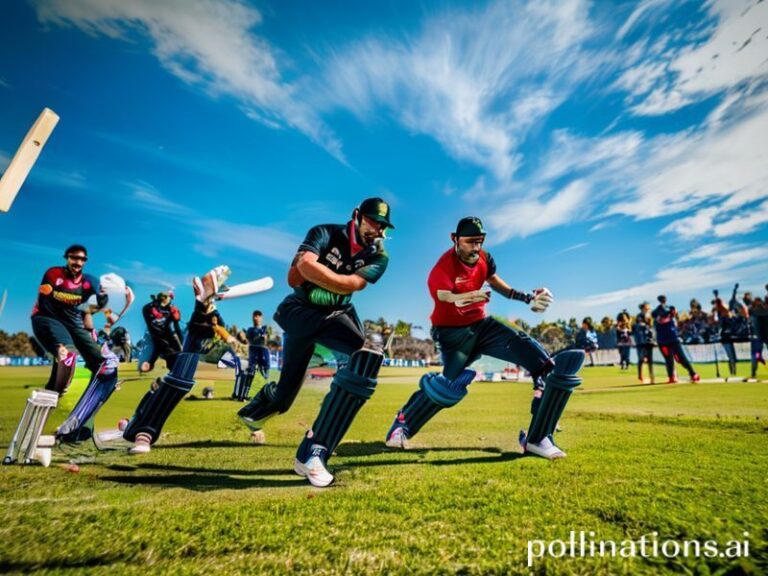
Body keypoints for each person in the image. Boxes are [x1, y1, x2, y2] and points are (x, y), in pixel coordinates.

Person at [384, 216, 582, 461]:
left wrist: (526, 297)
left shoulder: (485, 258)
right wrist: (470, 297)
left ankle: (538, 437)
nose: (475, 248)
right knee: (447, 386)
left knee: (542, 362)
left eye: (479, 241)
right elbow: (444, 297)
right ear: (454, 239)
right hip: (451, 331)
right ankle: (402, 423)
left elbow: (494, 281)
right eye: (469, 242)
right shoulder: (443, 267)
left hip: (482, 326)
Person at [237, 198, 393, 487]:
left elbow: (351, 285)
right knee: (284, 398)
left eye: (383, 226)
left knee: (366, 357)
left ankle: (314, 451)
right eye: (373, 222)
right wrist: (323, 275)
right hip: (299, 312)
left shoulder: (379, 256)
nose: (378, 230)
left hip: (336, 314)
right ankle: (254, 412)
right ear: (357, 216)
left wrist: (317, 273)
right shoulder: (324, 233)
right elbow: (296, 274)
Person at [122, 266, 238, 454]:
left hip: (188, 349)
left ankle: (135, 426)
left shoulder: (209, 316)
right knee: (178, 382)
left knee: (175, 383)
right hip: (177, 347)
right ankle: (143, 432)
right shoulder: (156, 311)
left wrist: (223, 331)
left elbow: (214, 329)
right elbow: (165, 332)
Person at [30, 245, 129, 442]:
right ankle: (57, 390)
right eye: (74, 258)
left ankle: (76, 424)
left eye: (82, 259)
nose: (78, 262)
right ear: (67, 258)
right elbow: (45, 302)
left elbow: (90, 309)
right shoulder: (53, 273)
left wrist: (110, 311)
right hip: (46, 318)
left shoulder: (88, 283)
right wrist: (60, 342)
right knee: (66, 355)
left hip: (73, 323)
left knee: (106, 366)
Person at [652, 295, 700, 383]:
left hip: (673, 339)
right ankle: (671, 377)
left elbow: (672, 314)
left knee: (681, 358)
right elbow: (655, 316)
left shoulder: (670, 310)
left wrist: (669, 312)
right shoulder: (656, 312)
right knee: (668, 359)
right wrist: (661, 313)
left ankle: (693, 374)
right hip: (662, 341)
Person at [233, 310, 271, 401]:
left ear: (261, 318)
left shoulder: (264, 330)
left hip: (261, 354)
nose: (256, 318)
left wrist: (264, 337)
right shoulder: (250, 330)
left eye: (258, 316)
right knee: (249, 375)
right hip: (252, 354)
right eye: (255, 316)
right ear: (252, 318)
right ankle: (242, 396)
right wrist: (242, 337)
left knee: (260, 375)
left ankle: (246, 395)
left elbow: (266, 342)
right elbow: (246, 340)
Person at [140, 291, 183, 373]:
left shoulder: (170, 309)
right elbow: (152, 320)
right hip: (157, 336)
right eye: (169, 298)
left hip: (167, 335)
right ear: (164, 298)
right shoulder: (148, 308)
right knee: (167, 351)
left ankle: (151, 364)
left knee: (178, 351)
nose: (170, 301)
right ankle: (172, 370)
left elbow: (175, 326)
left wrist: (180, 340)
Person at [634, 302, 656, 383]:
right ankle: (640, 375)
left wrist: (653, 340)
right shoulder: (639, 316)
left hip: (649, 342)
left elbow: (652, 329)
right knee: (641, 359)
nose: (648, 309)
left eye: (649, 308)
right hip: (641, 342)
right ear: (643, 308)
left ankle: (652, 377)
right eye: (647, 308)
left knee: (650, 360)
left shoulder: (650, 317)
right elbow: (639, 327)